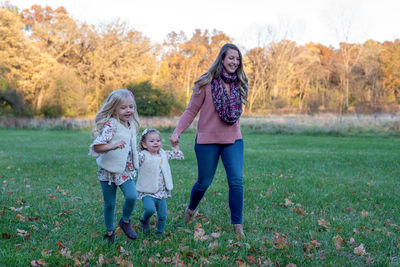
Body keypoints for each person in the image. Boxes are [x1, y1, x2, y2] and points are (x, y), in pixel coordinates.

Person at [169, 43, 250, 238]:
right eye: (231, 58)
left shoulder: (239, 83)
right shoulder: (204, 83)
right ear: (222, 58)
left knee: (236, 182)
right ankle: (190, 211)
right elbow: (191, 110)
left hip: (233, 140)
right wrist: (177, 132)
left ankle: (238, 227)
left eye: (238, 59)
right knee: (204, 182)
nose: (235, 62)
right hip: (207, 141)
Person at [89, 89, 140, 243]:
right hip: (108, 171)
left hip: (125, 170)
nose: (128, 110)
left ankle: (125, 222)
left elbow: (131, 146)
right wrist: (113, 146)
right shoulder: (112, 125)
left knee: (132, 196)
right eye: (123, 107)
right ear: (114, 108)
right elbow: (97, 147)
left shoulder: (131, 125)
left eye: (131, 107)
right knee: (110, 203)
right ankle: (110, 233)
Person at [136, 128, 184, 235]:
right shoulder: (143, 155)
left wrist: (175, 145)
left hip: (162, 192)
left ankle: (159, 233)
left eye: (158, 140)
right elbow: (134, 159)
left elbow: (178, 155)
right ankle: (144, 220)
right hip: (147, 191)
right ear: (144, 144)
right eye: (151, 141)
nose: (155, 143)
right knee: (150, 210)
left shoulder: (163, 154)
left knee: (162, 215)